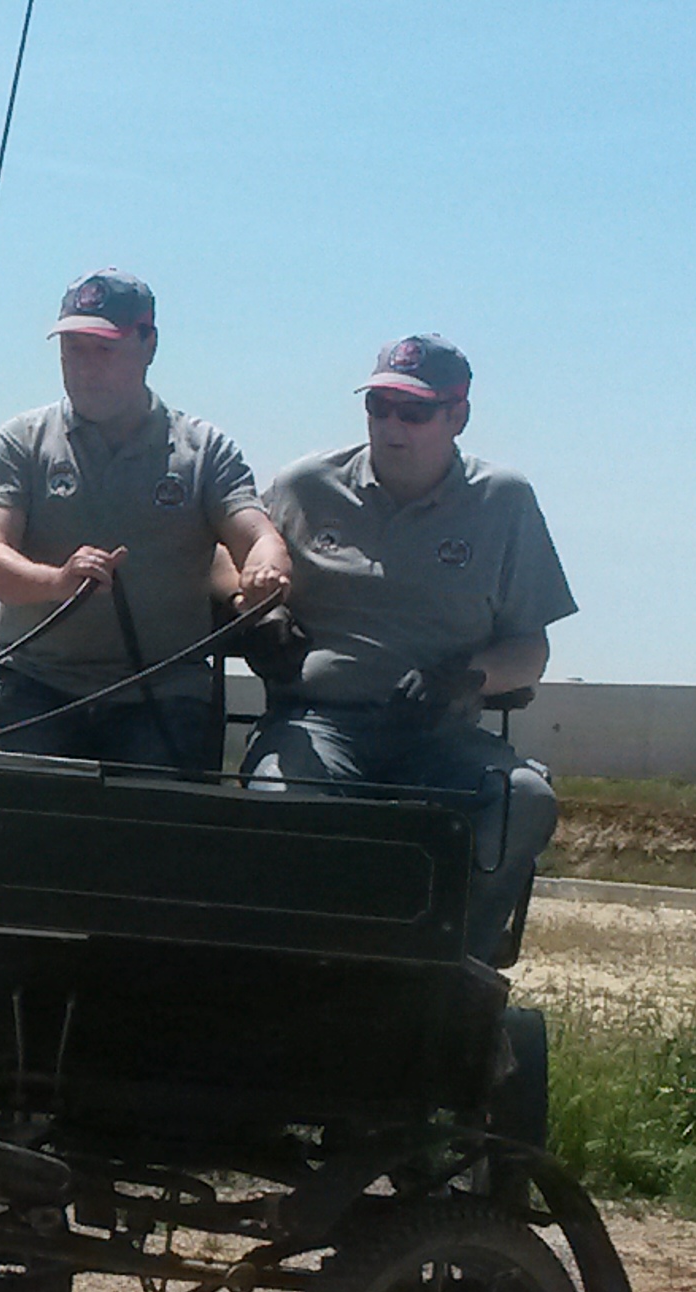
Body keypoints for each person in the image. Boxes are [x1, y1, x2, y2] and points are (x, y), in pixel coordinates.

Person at [243, 334, 574, 962]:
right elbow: (230, 559)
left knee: (524, 799)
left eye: (414, 411)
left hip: (439, 734)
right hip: (317, 725)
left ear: (458, 416)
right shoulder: (308, 485)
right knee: (279, 804)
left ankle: (451, 964)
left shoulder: (503, 501)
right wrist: (259, 612)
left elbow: (531, 649)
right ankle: (303, 964)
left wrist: (466, 678)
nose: (392, 425)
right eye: (379, 407)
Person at [0, 269, 292, 773]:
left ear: (148, 344)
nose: (86, 368)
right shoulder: (22, 440)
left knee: (146, 832)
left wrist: (264, 574)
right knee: (12, 822)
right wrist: (58, 581)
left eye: (105, 349)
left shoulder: (204, 451)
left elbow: (259, 537)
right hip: (35, 681)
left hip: (160, 689)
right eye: (74, 349)